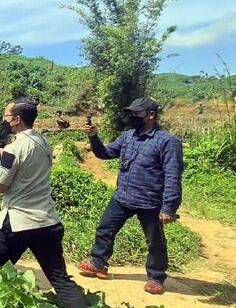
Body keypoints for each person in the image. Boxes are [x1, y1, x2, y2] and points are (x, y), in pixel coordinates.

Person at [0, 99, 98, 308]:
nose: (4, 119)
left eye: (6, 115)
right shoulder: (44, 142)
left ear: (17, 119)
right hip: (47, 222)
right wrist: (2, 152)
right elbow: (24, 159)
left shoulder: (14, 148)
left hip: (18, 223)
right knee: (61, 281)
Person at [78, 97, 183, 295]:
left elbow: (172, 175)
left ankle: (156, 277)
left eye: (137, 113)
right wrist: (94, 137)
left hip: (150, 201)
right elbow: (106, 153)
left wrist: (169, 207)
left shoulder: (168, 142)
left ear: (151, 115)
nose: (132, 117)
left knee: (155, 241)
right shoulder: (128, 136)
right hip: (123, 196)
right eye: (132, 113)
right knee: (105, 228)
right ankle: (98, 263)